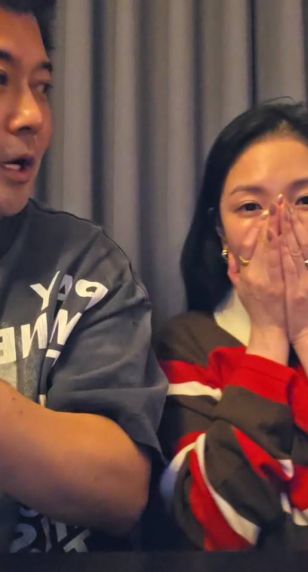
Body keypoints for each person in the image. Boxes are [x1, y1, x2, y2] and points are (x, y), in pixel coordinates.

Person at [152, 102, 308, 552]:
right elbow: (211, 531)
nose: (280, 225)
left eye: (307, 200)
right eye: (250, 207)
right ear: (220, 232)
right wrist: (268, 337)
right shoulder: (187, 345)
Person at [0, 0, 167, 553]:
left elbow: (120, 490)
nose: (31, 115)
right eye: (0, 81)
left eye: (42, 86)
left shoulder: (85, 266)